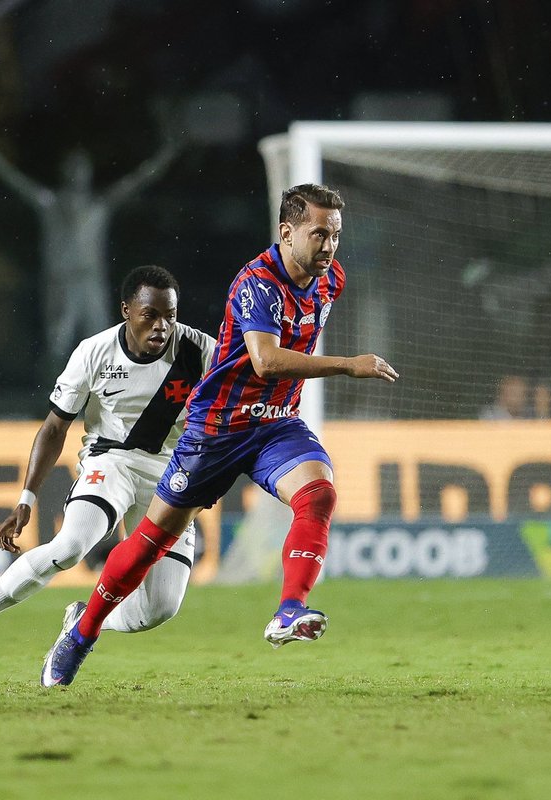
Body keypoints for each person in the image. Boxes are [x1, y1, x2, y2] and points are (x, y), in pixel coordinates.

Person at [39, 183, 399, 687]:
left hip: (275, 422)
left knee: (318, 494)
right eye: (319, 234)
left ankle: (290, 610)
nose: (329, 246)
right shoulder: (257, 283)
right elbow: (265, 360)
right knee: (149, 544)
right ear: (287, 232)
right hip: (218, 428)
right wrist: (346, 365)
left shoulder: (329, 279)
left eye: (335, 235)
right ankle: (82, 631)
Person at [0, 265, 215, 662]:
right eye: (150, 315)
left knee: (160, 608)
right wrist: (26, 498)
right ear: (127, 310)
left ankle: (84, 622)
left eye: (170, 316)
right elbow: (54, 427)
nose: (161, 326)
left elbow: (242, 399)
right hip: (111, 461)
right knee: (71, 546)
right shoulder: (94, 352)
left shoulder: (201, 350)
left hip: (170, 473)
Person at [0, 116, 180, 367]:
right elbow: (17, 182)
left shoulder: (98, 205)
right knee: (58, 343)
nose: (77, 172)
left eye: (82, 167)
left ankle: (102, 389)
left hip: (90, 281)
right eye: (73, 166)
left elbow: (136, 181)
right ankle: (54, 388)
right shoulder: (51, 204)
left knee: (101, 342)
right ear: (64, 171)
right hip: (61, 281)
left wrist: (164, 156)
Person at [480, 374, 551, 420]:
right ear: (503, 393)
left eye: (522, 393)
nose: (519, 397)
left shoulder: (529, 414)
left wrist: (542, 411)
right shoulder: (491, 415)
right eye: (514, 393)